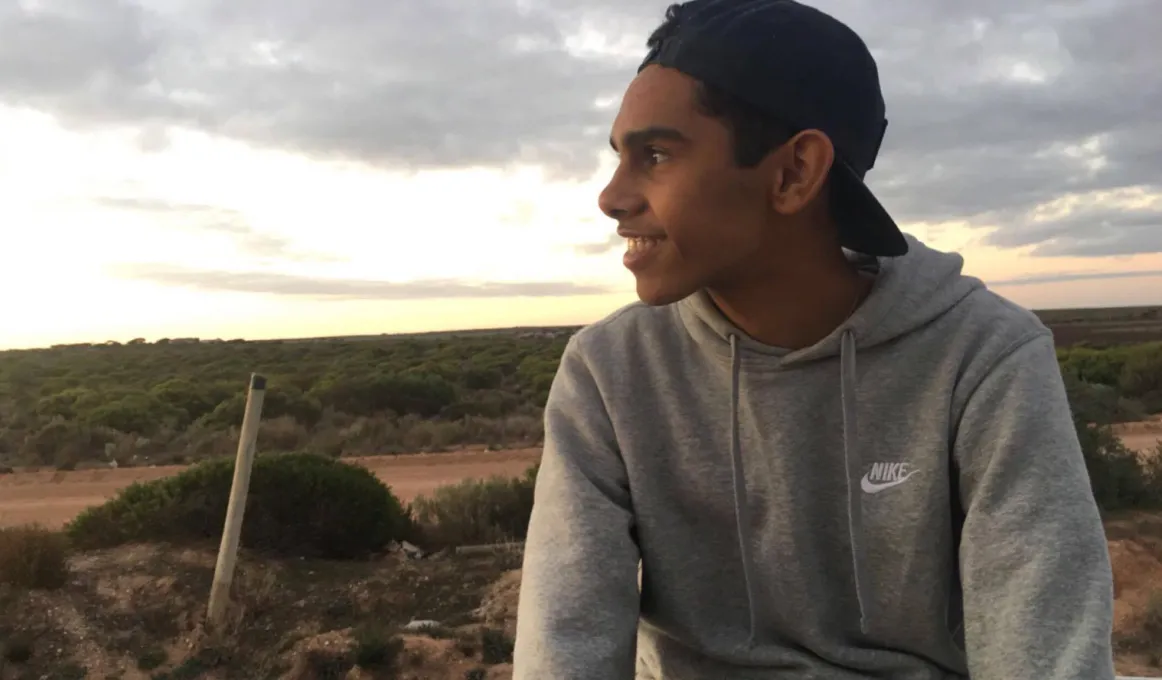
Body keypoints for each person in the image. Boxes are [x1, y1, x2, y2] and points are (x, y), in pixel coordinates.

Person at [512, 1, 1116, 678]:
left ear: (795, 172)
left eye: (654, 155)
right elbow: (564, 649)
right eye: (620, 156)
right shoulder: (608, 373)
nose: (611, 197)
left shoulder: (983, 358)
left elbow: (1047, 655)